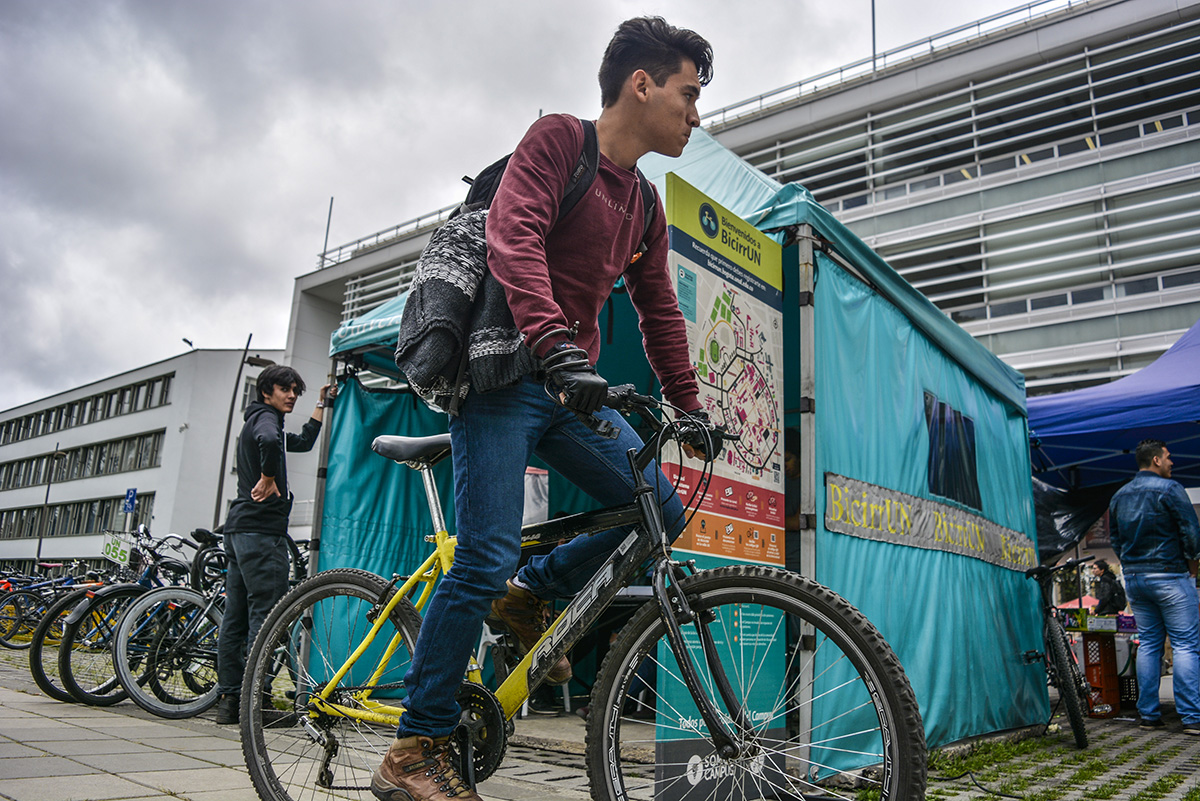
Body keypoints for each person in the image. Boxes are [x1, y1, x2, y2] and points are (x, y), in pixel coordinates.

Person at [371, 17, 714, 801]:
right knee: (482, 554)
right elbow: (512, 236)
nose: (696, 114)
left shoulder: (645, 206)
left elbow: (659, 310)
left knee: (658, 505)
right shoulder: (560, 141)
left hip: (566, 389)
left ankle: (531, 590)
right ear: (643, 83)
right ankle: (414, 748)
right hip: (499, 379)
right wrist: (555, 343)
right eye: (689, 93)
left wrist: (687, 405)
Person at [213, 365, 329, 725]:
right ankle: (258, 706)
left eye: (296, 389)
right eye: (285, 388)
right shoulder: (266, 421)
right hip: (261, 535)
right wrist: (267, 477)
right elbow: (268, 441)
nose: (292, 395)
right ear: (266, 392)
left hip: (239, 532)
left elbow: (303, 442)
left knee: (236, 620)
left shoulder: (262, 422)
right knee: (267, 618)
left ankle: (229, 704)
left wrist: (320, 406)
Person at [1108, 438, 1200, 734]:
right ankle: (1192, 717)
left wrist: (1131, 566)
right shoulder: (1171, 489)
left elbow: (1115, 540)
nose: (1172, 462)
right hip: (1169, 575)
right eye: (1169, 457)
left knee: (1148, 644)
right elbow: (1191, 533)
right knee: (1185, 645)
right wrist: (1193, 568)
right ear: (1157, 460)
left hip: (1135, 578)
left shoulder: (1119, 495)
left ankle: (1148, 715)